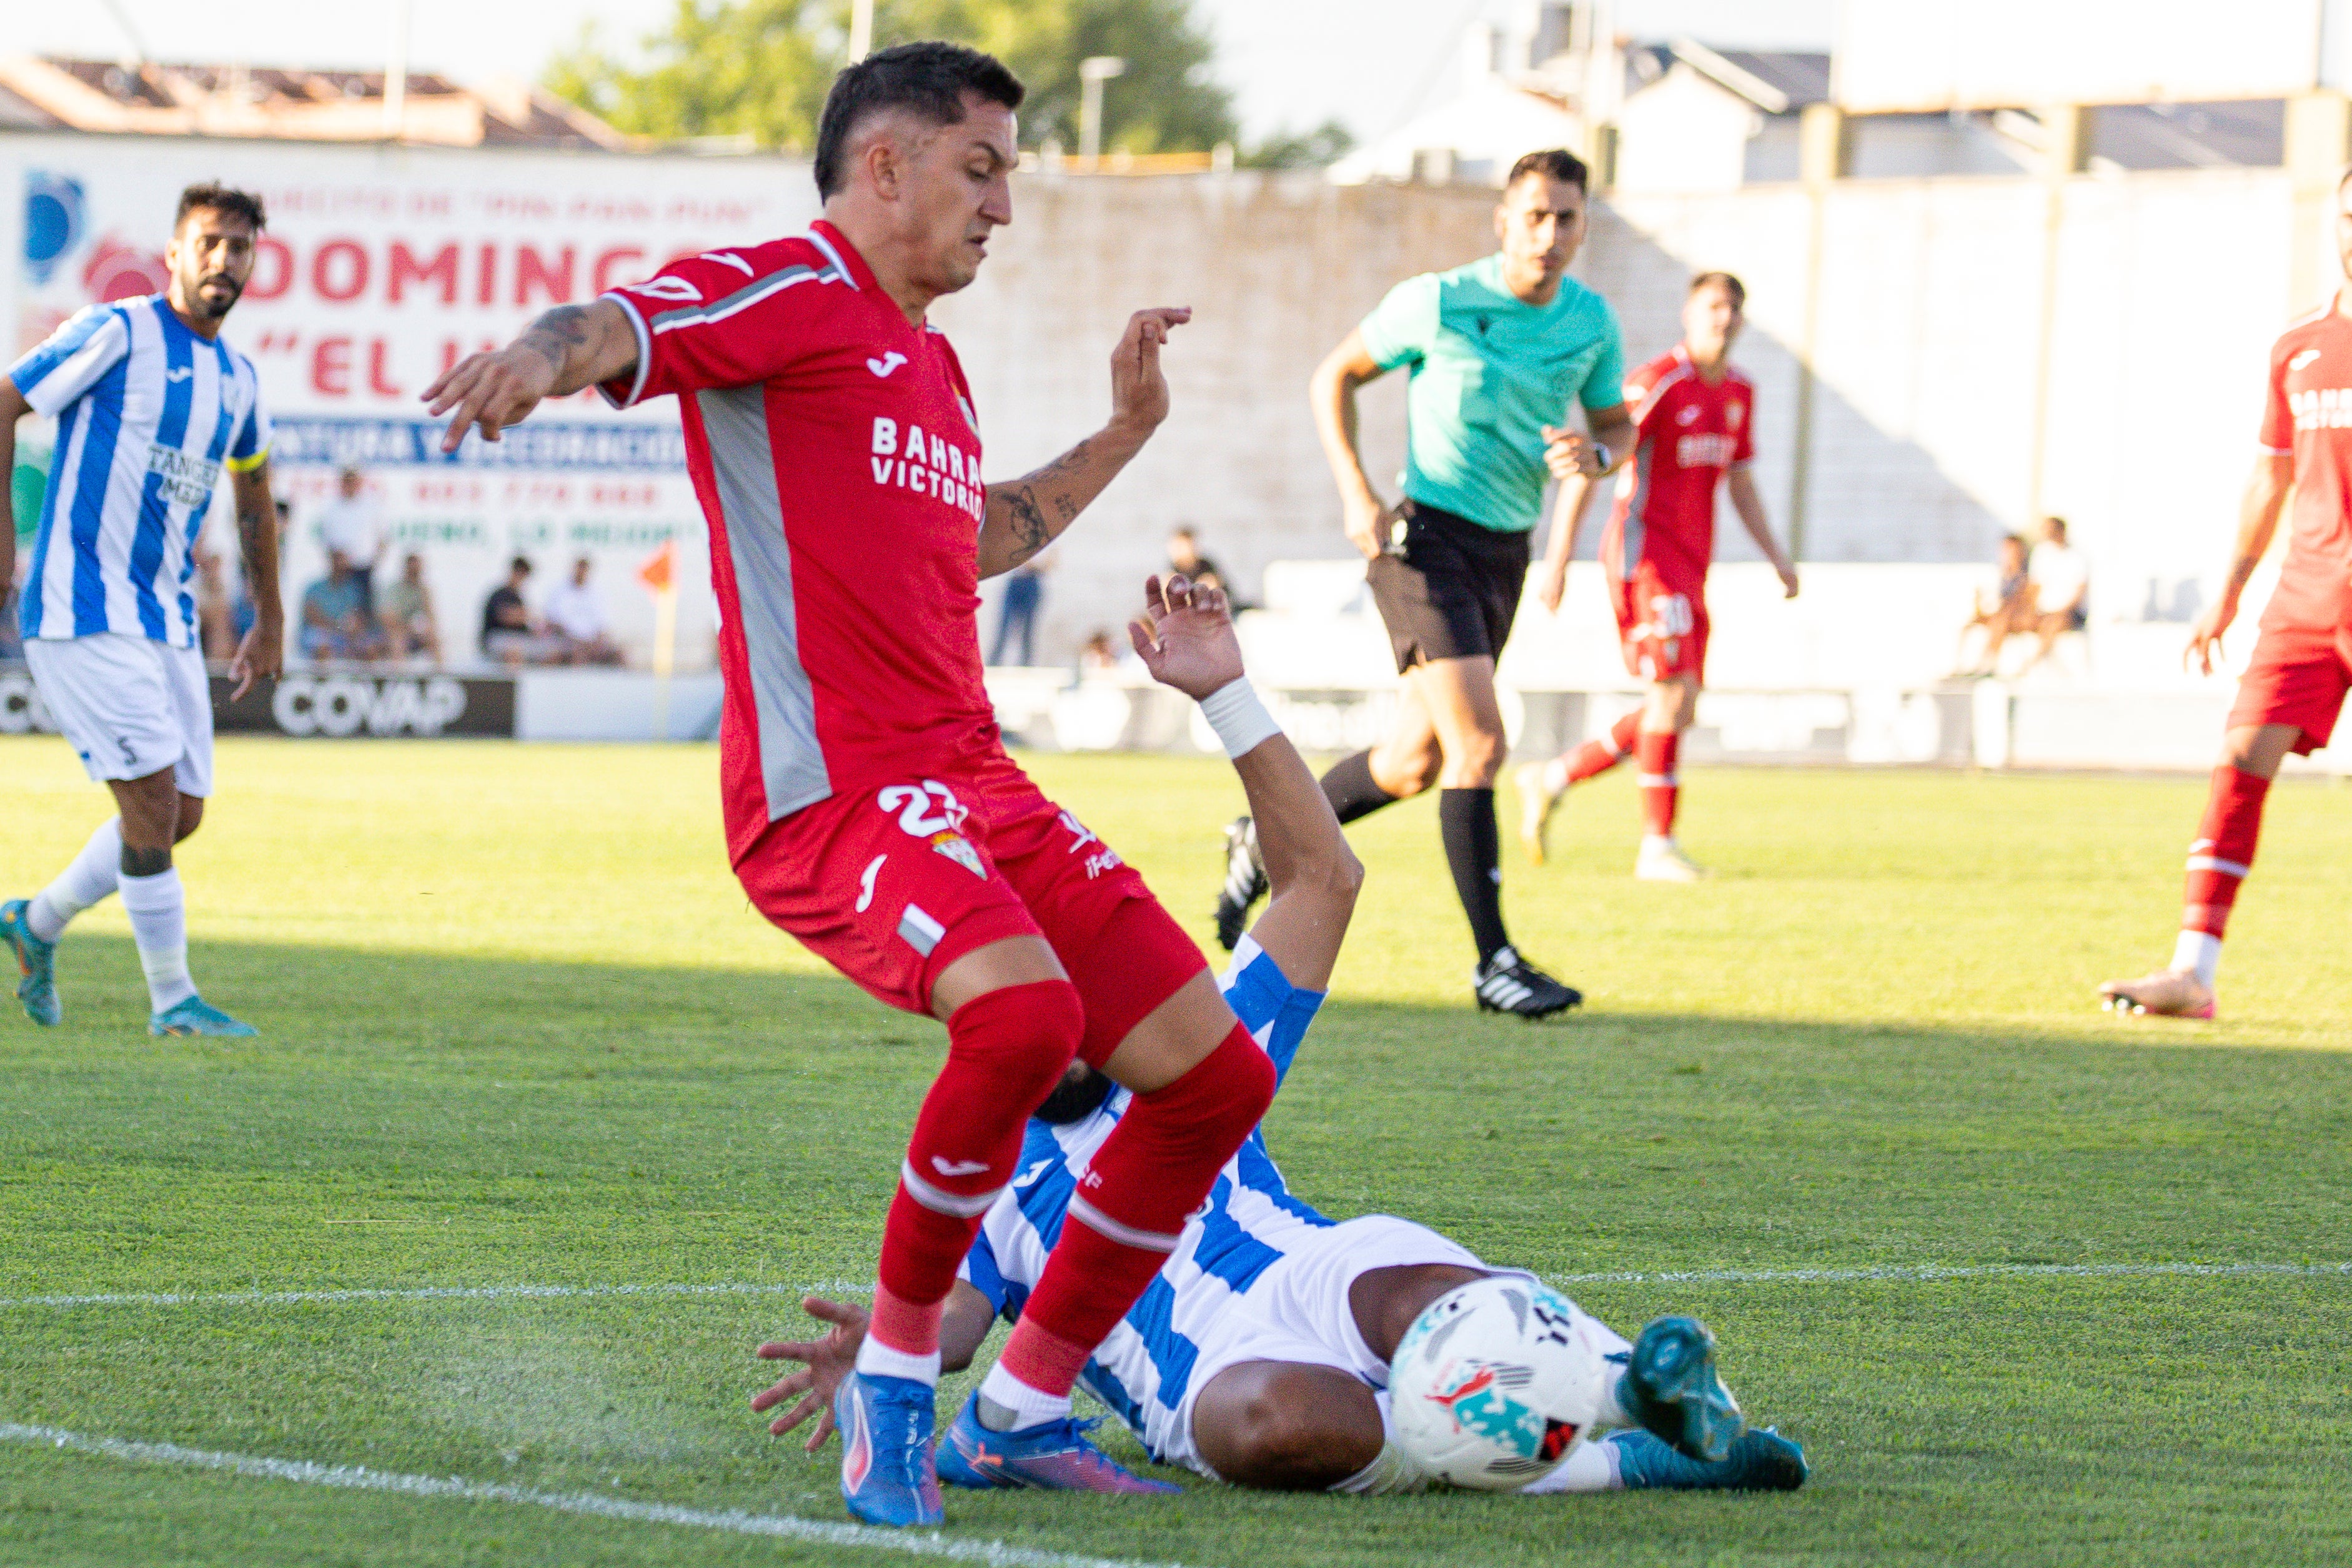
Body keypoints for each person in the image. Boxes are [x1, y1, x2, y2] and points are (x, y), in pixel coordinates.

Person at [422, 42, 1279, 1530]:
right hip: (835, 795)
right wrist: (533, 358)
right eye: (982, 166)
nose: (1004, 203)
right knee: (1023, 1017)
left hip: (972, 778)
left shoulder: (926, 364)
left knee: (1212, 1077)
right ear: (884, 164)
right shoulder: (791, 289)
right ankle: (893, 1387)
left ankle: (1012, 1410)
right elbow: (617, 325)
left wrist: (1126, 434)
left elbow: (985, 533)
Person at [752, 571, 1807, 1499]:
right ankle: (1626, 1455)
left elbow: (1324, 880)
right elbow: (958, 1328)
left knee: (1417, 1296)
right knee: (1278, 1425)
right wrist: (884, 1357)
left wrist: (1225, 695)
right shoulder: (985, 1156)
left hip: (1313, 1270)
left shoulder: (1186, 1048)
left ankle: (1645, 1391)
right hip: (1207, 1377)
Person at [1216, 149, 1635, 1020]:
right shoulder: (1439, 301)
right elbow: (1333, 376)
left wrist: (1595, 457)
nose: (1549, 235)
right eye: (1534, 216)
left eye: (1566, 219)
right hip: (1423, 541)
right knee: (1480, 744)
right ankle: (1495, 962)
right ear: (1503, 220)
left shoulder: (1590, 323)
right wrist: (1355, 492)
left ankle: (1259, 842)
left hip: (1504, 552)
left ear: (1582, 226)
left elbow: (1615, 428)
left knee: (1413, 763)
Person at [0, 182, 284, 1039]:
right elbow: (7, 401)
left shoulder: (238, 380)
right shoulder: (117, 331)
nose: (223, 260)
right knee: (153, 799)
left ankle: (34, 922)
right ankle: (173, 1002)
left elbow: (254, 494)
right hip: (79, 606)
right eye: (209, 243)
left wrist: (267, 616)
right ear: (174, 253)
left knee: (180, 812)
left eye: (239, 247)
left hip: (165, 616)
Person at [2100, 173, 2352, 1019]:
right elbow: (2271, 473)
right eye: (2349, 217)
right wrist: (2230, 591)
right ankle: (2192, 972)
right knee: (2239, 757)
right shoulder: (2298, 346)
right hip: (2304, 597)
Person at [1515, 272, 1800, 879]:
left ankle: (1553, 776)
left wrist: (1776, 553)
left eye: (1734, 309)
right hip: (1645, 556)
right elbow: (1591, 464)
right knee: (1669, 694)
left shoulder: (1739, 393)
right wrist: (1558, 558)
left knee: (1677, 704)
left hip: (1693, 563)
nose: (1725, 318)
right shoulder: (1657, 383)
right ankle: (1657, 846)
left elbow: (1741, 480)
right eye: (1714, 306)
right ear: (1689, 313)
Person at [2015, 515, 2088, 675]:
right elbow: (2035, 586)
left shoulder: (2077, 557)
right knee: (2012, 620)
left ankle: (2031, 664)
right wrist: (2028, 608)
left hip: (2069, 613)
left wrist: (2061, 612)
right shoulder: (2042, 553)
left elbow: (2079, 592)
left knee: (2052, 624)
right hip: (2045, 611)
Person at [1954, 533, 2033, 677]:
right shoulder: (1997, 573)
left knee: (2000, 621)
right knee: (1970, 625)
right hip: (1997, 614)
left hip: (2012, 618)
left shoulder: (2025, 576)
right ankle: (1960, 666)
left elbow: (2022, 601)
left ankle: (1987, 664)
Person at [312, 465, 385, 620]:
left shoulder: (372, 505)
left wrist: (375, 563)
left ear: (359, 482)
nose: (350, 484)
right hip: (340, 571)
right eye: (346, 480)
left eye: (353, 480)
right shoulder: (330, 507)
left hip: (363, 569)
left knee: (363, 616)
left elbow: (382, 540)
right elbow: (325, 540)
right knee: (339, 616)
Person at [299, 550, 381, 662]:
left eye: (343, 561)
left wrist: (352, 629)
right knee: (322, 646)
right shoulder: (315, 587)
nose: (340, 564)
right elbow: (313, 617)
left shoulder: (353, 589)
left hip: (344, 634)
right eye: (337, 560)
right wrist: (337, 628)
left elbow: (358, 617)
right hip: (320, 631)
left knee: (369, 648)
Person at [543, 554, 623, 665]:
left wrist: (595, 643)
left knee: (620, 654)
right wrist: (576, 641)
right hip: (566, 641)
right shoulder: (559, 590)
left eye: (584, 568)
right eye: (579, 568)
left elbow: (603, 626)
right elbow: (554, 622)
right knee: (575, 653)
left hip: (592, 642)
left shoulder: (597, 593)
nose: (581, 571)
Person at [480, 555, 547, 665]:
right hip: (497, 637)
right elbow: (507, 617)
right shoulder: (499, 594)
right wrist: (528, 616)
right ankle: (512, 681)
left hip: (516, 638)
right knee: (514, 649)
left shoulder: (518, 597)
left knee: (549, 650)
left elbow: (525, 625)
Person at [380, 551, 442, 663]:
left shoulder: (423, 590)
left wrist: (422, 628)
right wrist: (407, 627)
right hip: (397, 632)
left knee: (433, 637)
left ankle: (440, 673)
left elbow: (431, 617)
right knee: (397, 640)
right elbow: (388, 617)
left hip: (414, 631)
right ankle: (399, 676)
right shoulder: (395, 589)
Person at [990, 550, 1048, 665]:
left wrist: (1028, 563)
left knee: (1028, 628)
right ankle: (993, 663)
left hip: (1032, 582)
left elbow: (1049, 563)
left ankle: (1026, 665)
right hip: (1015, 581)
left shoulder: (1048, 541)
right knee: (1004, 626)